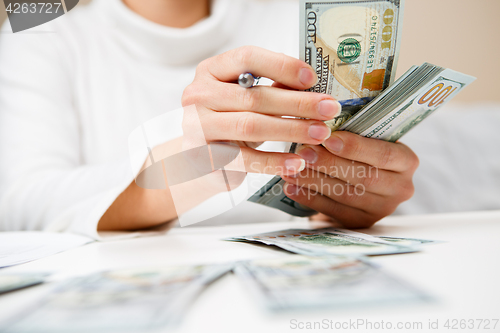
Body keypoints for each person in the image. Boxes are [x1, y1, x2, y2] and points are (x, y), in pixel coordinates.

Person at [0, 0, 418, 239]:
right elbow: (21, 206)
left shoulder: (302, 13)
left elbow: (392, 184)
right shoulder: (36, 33)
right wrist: (190, 164)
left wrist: (363, 196)